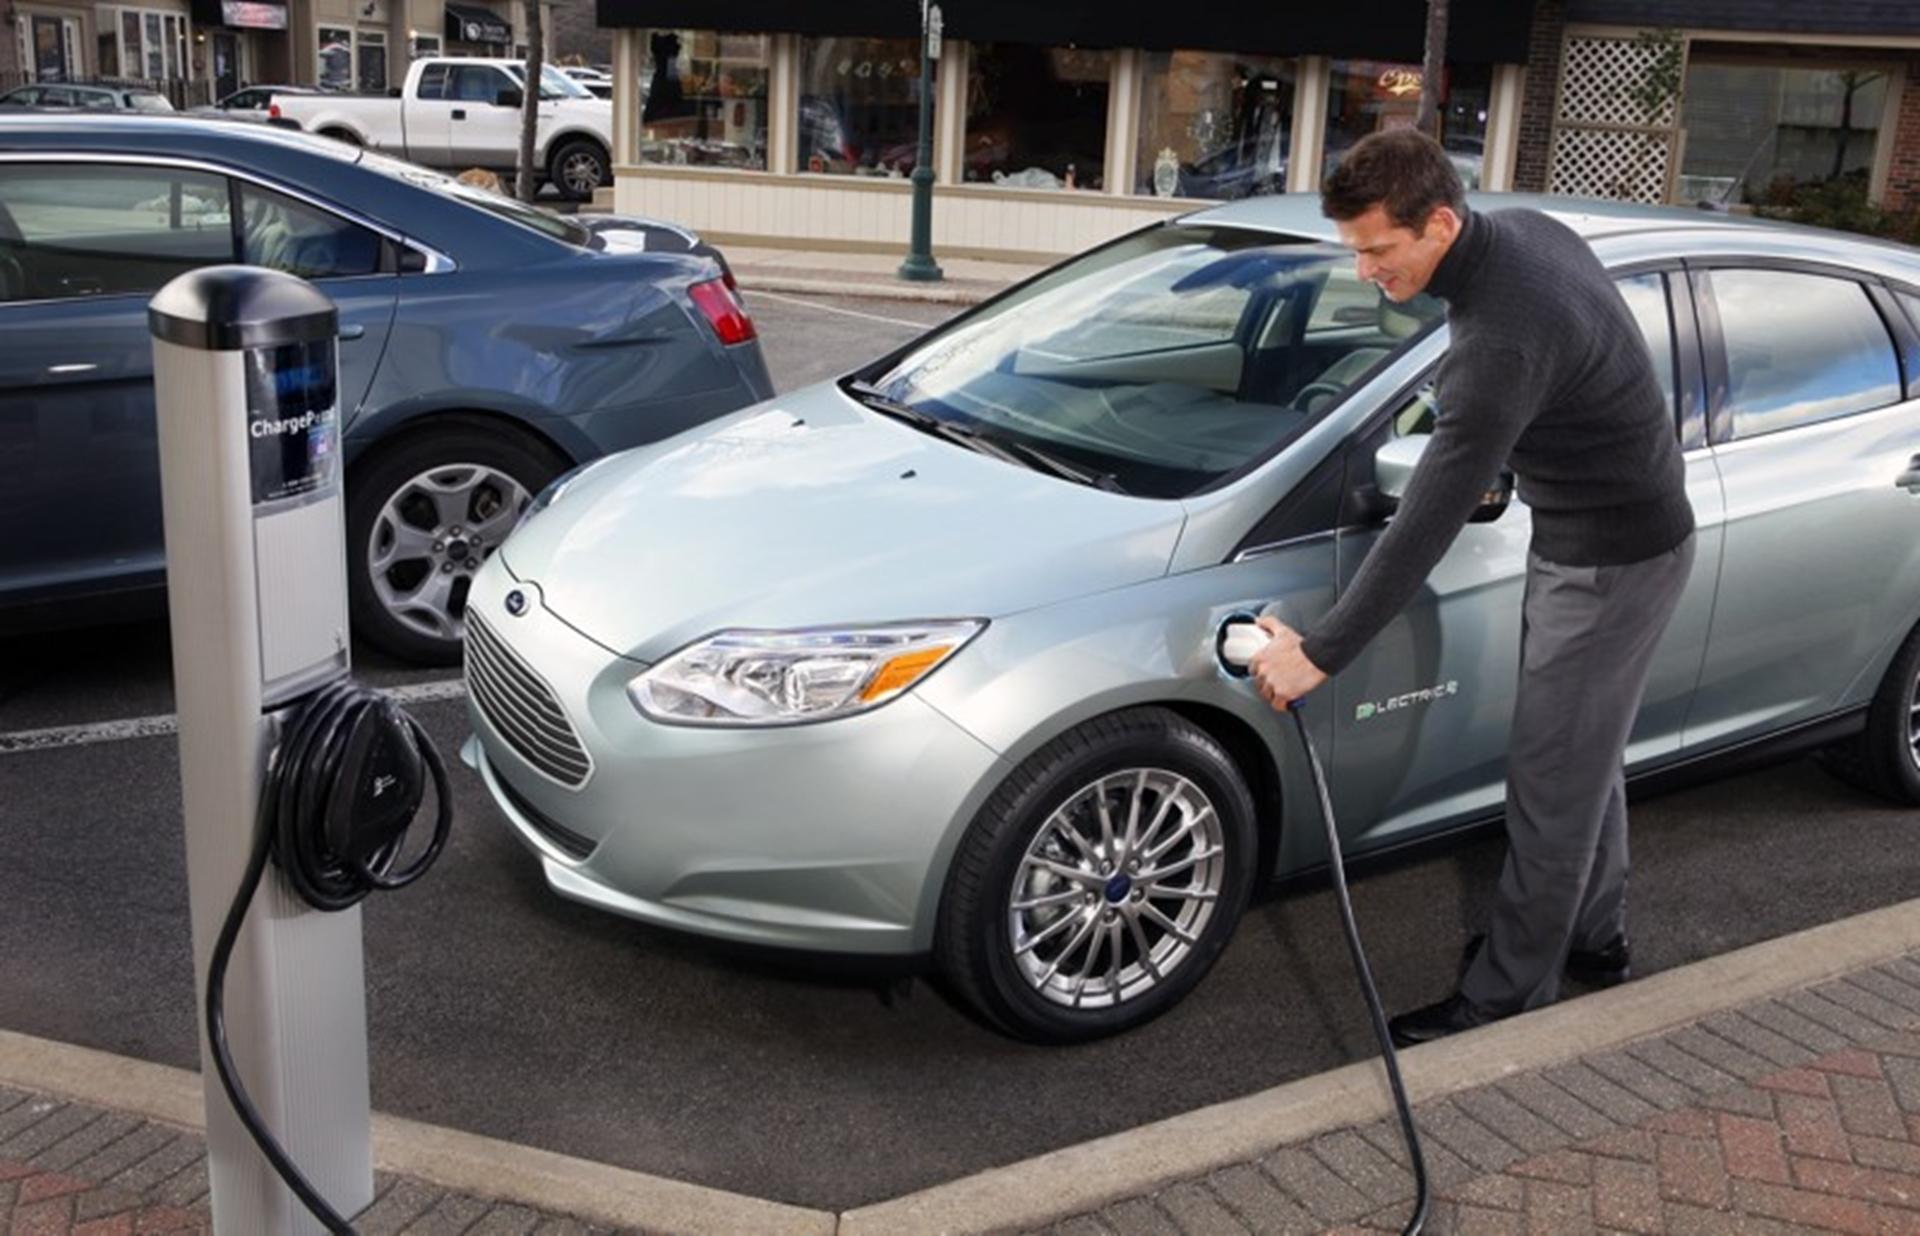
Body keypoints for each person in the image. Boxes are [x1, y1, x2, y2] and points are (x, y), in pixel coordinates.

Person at [1247, 129, 1697, 1046]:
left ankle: (1504, 1000)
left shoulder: (1496, 340)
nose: (1365, 269)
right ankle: (1596, 940)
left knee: (1549, 778)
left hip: (1610, 561)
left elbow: (1425, 523)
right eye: (1356, 249)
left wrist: (1319, 655)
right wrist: (1516, 453)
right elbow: (1584, 368)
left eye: (1379, 249)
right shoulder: (1529, 232)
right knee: (1583, 758)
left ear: (1440, 221)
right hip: (1620, 535)